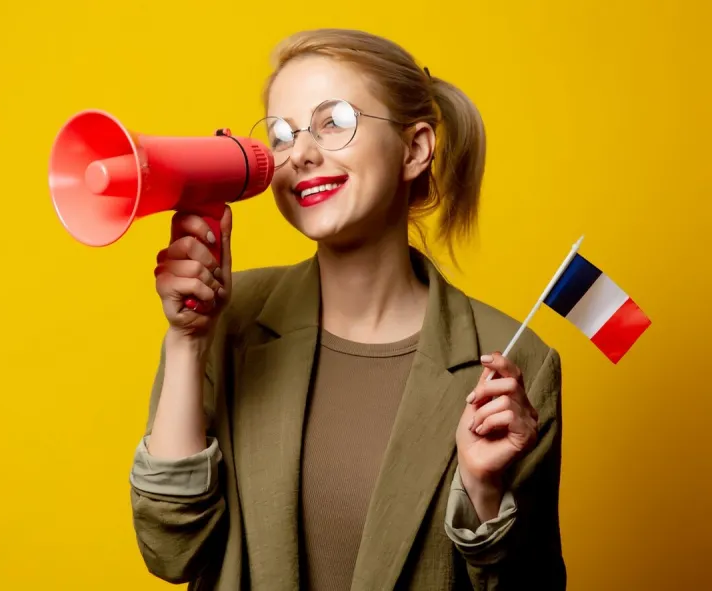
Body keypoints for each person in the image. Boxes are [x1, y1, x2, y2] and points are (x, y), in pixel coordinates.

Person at [128, 28, 566, 591]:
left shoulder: (517, 360)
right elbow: (171, 550)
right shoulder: (223, 320)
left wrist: (484, 497)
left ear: (415, 149)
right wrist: (188, 341)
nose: (302, 154)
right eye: (282, 135)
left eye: (334, 121)